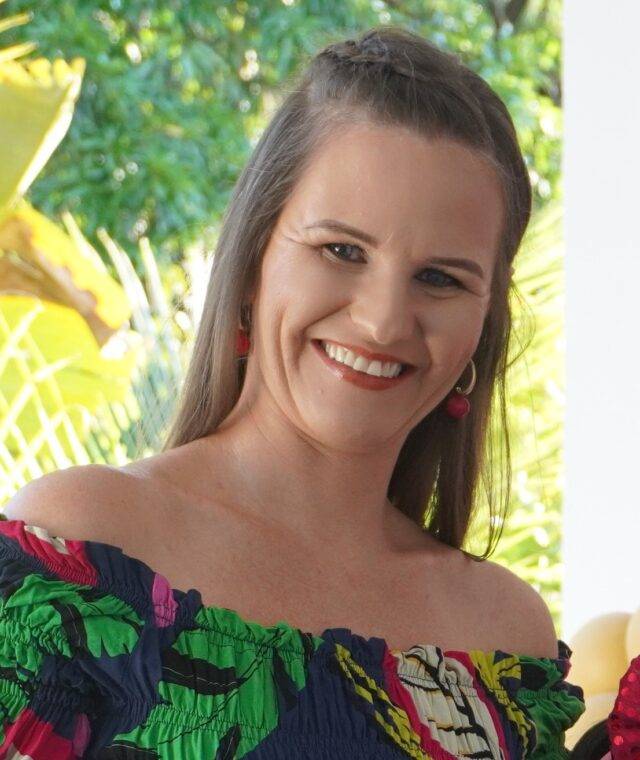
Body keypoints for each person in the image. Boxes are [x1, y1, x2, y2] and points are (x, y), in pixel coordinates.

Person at [0, 25, 585, 759]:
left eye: (440, 278)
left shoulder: (506, 640)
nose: (382, 320)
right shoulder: (80, 550)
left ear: (483, 326)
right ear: (252, 264)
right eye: (342, 250)